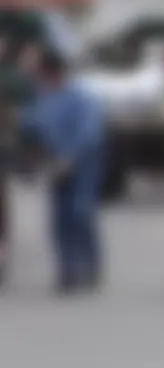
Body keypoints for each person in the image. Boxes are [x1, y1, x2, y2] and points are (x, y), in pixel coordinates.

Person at [19, 46, 106, 293]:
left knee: (80, 213)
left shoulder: (79, 98)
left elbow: (90, 133)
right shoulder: (43, 97)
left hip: (83, 165)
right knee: (59, 220)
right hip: (56, 165)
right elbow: (32, 125)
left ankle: (90, 266)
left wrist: (70, 159)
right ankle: (67, 271)